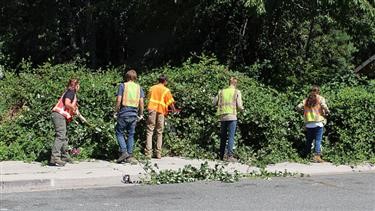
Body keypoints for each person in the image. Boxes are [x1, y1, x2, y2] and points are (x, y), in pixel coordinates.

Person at [114, 69, 144, 164]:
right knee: (131, 134)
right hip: (134, 114)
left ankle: (123, 152)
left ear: (127, 77)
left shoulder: (123, 86)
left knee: (119, 132)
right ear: (135, 78)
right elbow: (141, 102)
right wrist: (141, 114)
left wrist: (116, 111)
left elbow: (119, 100)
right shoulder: (139, 88)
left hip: (123, 113)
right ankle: (130, 155)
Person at [50, 79, 81, 166]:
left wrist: (75, 110)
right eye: (78, 85)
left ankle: (64, 156)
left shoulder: (70, 93)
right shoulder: (71, 92)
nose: (79, 87)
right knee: (60, 136)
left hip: (60, 116)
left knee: (64, 136)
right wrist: (74, 108)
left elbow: (68, 106)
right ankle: (55, 157)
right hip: (59, 115)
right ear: (76, 86)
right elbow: (67, 104)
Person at [213, 77, 244, 162]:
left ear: (229, 83)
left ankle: (221, 155)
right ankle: (229, 156)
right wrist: (242, 109)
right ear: (236, 83)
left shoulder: (221, 91)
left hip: (222, 116)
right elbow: (240, 105)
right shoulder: (237, 92)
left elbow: (213, 103)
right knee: (231, 136)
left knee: (223, 136)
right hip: (232, 116)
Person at [145, 75, 176, 159]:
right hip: (161, 111)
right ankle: (158, 153)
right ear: (165, 81)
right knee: (159, 132)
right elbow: (170, 102)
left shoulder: (152, 88)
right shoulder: (166, 90)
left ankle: (148, 153)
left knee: (150, 131)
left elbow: (148, 98)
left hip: (152, 109)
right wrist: (174, 110)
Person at [297, 85, 330, 163]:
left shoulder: (306, 100)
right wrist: (328, 111)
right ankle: (317, 157)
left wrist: (303, 111)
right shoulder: (320, 98)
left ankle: (306, 154)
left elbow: (298, 107)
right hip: (318, 122)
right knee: (318, 140)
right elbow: (324, 106)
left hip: (309, 123)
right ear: (318, 91)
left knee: (309, 140)